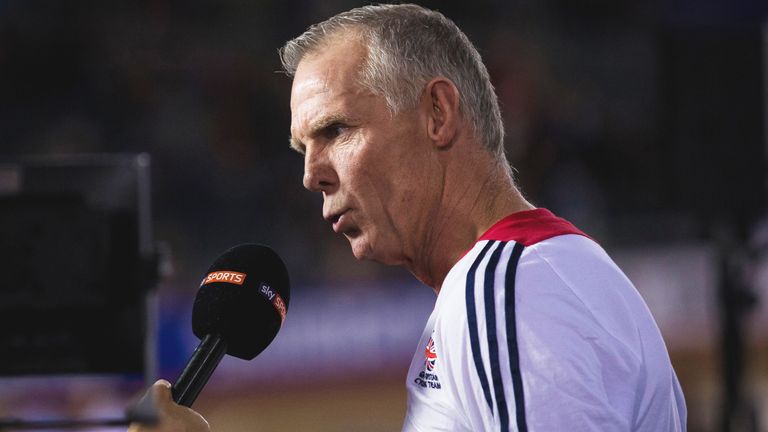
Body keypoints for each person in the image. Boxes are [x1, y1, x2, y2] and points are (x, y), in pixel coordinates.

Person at [130, 4, 686, 431]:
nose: (311, 175)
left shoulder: (506, 292)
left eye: (336, 131)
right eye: (303, 149)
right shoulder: (534, 274)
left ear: (437, 115)